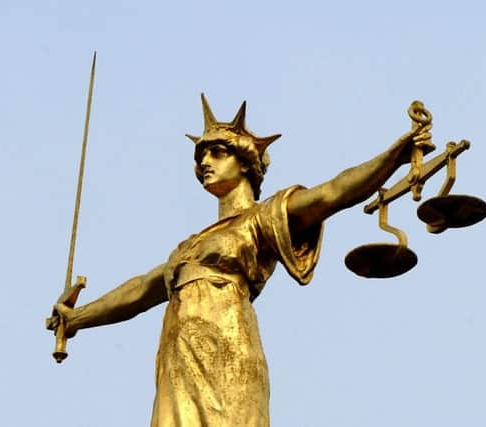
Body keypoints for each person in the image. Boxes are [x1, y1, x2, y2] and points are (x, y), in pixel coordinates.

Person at [48, 94, 431, 426]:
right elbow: (141, 289)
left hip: (227, 347)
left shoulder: (262, 218)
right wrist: (79, 318)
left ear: (246, 162)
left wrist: (395, 155)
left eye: (217, 152)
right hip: (180, 354)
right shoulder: (189, 246)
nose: (204, 163)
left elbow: (333, 192)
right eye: (200, 155)